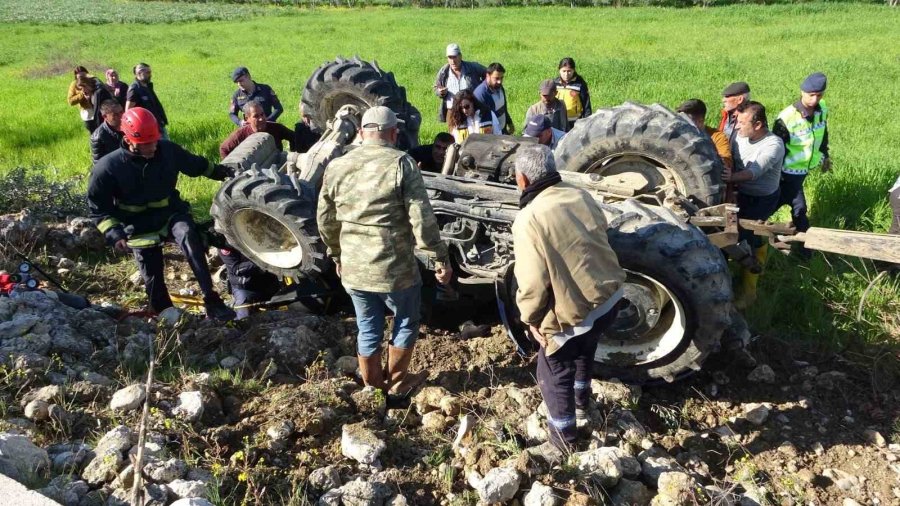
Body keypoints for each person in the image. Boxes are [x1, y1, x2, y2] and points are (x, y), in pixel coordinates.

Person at [317, 106, 453, 397]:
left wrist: (336, 254)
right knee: (406, 319)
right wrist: (439, 256)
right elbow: (422, 217)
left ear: (363, 131)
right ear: (393, 132)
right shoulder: (402, 164)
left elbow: (325, 219)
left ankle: (372, 386)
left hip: (354, 267)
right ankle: (398, 382)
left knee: (367, 327)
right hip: (395, 268)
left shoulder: (337, 165)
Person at [512, 144, 625, 456]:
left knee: (552, 370)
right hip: (610, 298)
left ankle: (564, 441)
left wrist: (531, 320)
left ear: (522, 180)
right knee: (584, 350)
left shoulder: (529, 218)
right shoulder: (580, 195)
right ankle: (581, 404)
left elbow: (533, 284)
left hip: (578, 314)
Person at [87, 107, 236, 321]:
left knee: (188, 234)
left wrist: (224, 173)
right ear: (128, 139)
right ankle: (165, 313)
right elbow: (98, 208)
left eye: (154, 141)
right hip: (136, 225)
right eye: (145, 144)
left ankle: (212, 299)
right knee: (153, 279)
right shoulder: (107, 168)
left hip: (170, 214)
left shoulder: (166, 150)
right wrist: (114, 233)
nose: (152, 147)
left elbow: (195, 165)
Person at [722, 101, 784, 309]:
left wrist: (730, 178)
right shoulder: (740, 135)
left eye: (742, 122)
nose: (737, 127)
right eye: (736, 122)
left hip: (761, 199)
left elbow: (753, 172)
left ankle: (749, 292)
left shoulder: (773, 146)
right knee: (733, 233)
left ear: (757, 125)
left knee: (750, 237)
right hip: (740, 192)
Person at [772, 72, 831, 256]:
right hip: (787, 172)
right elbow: (776, 148)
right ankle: (806, 250)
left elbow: (823, 134)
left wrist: (825, 155)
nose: (814, 100)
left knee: (778, 202)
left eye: (819, 95)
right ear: (802, 92)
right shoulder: (787, 117)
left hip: (803, 170)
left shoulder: (822, 109)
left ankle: (759, 230)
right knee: (798, 207)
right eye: (810, 95)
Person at [676, 98, 734, 176]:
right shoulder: (678, 134)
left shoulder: (717, 136)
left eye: (686, 122)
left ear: (700, 121)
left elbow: (726, 161)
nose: (682, 124)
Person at [219, 102, 296, 159]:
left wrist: (293, 155)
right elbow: (224, 149)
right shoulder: (240, 134)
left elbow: (294, 138)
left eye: (262, 114)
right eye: (256, 116)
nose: (261, 118)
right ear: (247, 118)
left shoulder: (276, 128)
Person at [433, 43, 486, 123]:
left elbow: (489, 74)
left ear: (460, 56)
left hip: (470, 110)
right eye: (450, 57)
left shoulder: (472, 67)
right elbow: (436, 87)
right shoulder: (444, 71)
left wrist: (482, 88)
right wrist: (441, 92)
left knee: (473, 134)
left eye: (455, 57)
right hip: (452, 111)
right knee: (454, 135)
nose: (453, 61)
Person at [126, 63, 169, 140]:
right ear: (138, 73)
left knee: (166, 148)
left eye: (149, 72)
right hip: (148, 128)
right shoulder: (134, 89)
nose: (149, 74)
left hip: (158, 124)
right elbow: (128, 111)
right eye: (146, 72)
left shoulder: (148, 86)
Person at [67, 66, 111, 133]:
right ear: (76, 77)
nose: (82, 78)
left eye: (84, 76)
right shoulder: (74, 84)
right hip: (88, 113)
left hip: (99, 109)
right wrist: (82, 94)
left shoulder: (94, 80)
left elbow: (102, 90)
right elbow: (70, 101)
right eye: (80, 77)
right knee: (94, 133)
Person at [473, 62, 514, 135]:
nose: (500, 81)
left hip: (502, 131)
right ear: (488, 76)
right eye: (496, 78)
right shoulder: (480, 94)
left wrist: (509, 122)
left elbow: (503, 108)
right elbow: (480, 120)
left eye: (502, 78)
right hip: (492, 135)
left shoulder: (500, 88)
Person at [553, 58, 591, 132]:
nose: (566, 74)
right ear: (559, 70)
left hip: (574, 122)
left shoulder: (580, 84)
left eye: (569, 71)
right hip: (558, 121)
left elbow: (586, 105)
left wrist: (587, 122)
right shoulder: (555, 83)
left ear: (573, 70)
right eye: (564, 71)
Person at [90, 99, 124, 163]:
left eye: (121, 112)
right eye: (115, 114)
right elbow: (99, 165)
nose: (121, 116)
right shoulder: (98, 137)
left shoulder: (128, 127)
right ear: (105, 116)